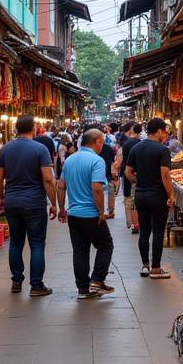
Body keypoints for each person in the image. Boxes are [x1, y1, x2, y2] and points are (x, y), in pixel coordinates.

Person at [0, 114, 59, 296]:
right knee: (37, 244)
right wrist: (54, 203)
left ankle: (16, 281)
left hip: (12, 201)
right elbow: (48, 178)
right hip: (35, 203)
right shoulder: (40, 149)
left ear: (16, 129)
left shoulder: (5, 149)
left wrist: (1, 197)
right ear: (34, 129)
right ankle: (36, 285)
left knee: (15, 242)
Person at [58, 127, 115, 300]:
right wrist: (101, 211)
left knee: (80, 250)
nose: (102, 145)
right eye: (102, 142)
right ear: (97, 141)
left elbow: (60, 186)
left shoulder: (70, 160)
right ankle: (97, 279)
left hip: (74, 214)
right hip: (90, 213)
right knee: (106, 245)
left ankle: (83, 288)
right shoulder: (97, 161)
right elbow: (97, 188)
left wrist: (62, 208)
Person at [125, 116, 173, 279]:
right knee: (158, 231)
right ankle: (156, 268)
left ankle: (145, 265)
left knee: (144, 231)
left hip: (141, 195)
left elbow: (127, 172)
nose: (165, 135)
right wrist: (170, 194)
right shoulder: (162, 150)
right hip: (158, 195)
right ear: (159, 131)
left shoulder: (136, 148)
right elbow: (165, 174)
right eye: (165, 132)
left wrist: (139, 182)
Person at [119, 122, 141, 235]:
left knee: (128, 198)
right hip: (137, 173)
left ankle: (130, 222)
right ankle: (137, 223)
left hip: (126, 173)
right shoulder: (140, 143)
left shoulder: (126, 143)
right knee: (136, 199)